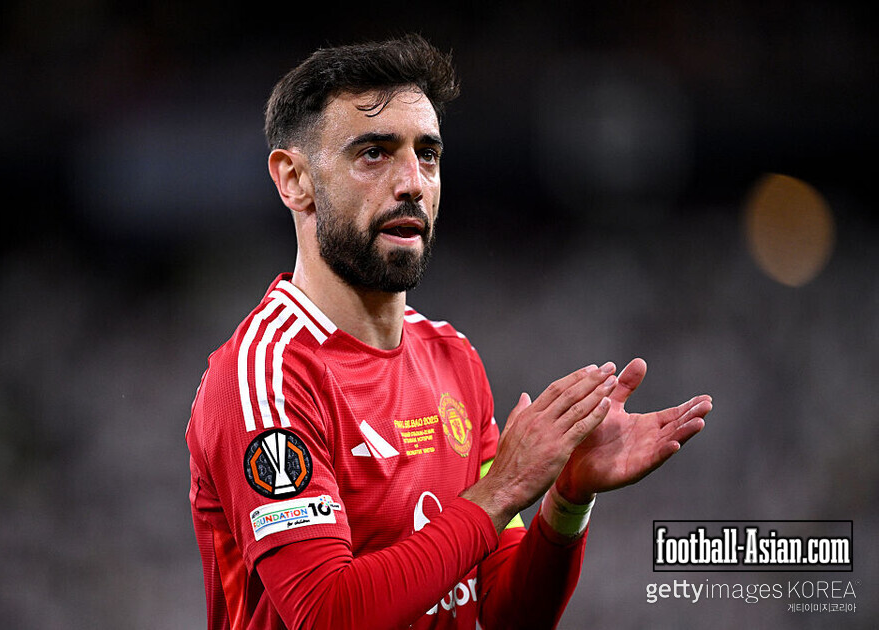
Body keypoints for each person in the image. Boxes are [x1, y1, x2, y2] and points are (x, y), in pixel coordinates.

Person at [185, 34, 712, 630]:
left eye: (427, 154)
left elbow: (501, 613)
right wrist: (501, 490)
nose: (412, 181)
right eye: (374, 154)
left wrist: (566, 500)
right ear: (294, 181)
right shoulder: (271, 371)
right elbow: (326, 613)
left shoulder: (453, 359)